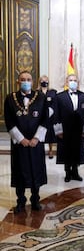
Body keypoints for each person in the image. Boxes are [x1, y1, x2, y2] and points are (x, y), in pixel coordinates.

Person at [4, 71, 48, 213]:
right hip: (20, 143)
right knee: (20, 170)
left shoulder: (41, 97)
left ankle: (35, 199)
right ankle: (21, 201)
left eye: (28, 79)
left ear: (32, 81)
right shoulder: (10, 98)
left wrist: (36, 138)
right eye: (23, 79)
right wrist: (21, 139)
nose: (25, 82)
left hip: (36, 142)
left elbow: (45, 119)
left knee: (36, 169)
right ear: (18, 82)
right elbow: (9, 121)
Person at [54, 74, 84, 182]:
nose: (73, 82)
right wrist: (58, 130)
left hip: (79, 130)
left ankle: (75, 171)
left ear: (78, 83)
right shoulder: (59, 96)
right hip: (65, 129)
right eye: (71, 80)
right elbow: (56, 114)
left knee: (77, 151)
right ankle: (67, 172)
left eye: (75, 80)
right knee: (66, 151)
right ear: (66, 82)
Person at [38, 75, 57, 159]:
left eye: (46, 80)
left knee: (50, 134)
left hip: (50, 116)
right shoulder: (36, 92)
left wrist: (50, 111)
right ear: (40, 81)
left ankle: (50, 150)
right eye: (42, 80)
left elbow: (55, 103)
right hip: (40, 117)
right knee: (40, 133)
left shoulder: (52, 92)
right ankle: (40, 151)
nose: (44, 82)